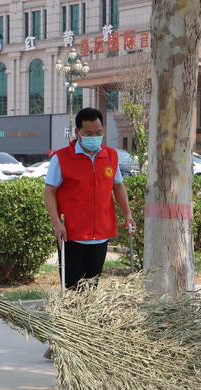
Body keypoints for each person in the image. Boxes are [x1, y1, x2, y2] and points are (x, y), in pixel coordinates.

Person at [44, 107, 135, 290]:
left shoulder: (111, 156)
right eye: (88, 133)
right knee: (72, 289)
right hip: (71, 234)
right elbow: (49, 192)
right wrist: (57, 224)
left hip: (101, 233)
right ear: (77, 132)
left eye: (99, 132)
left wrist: (127, 214)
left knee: (92, 288)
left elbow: (117, 185)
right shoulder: (61, 158)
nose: (94, 137)